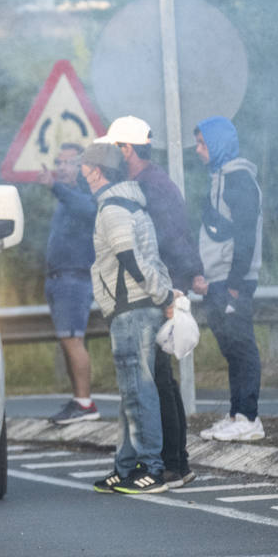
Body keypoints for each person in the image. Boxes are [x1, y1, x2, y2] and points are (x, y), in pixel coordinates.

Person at [109, 116, 206, 486]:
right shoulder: (144, 182)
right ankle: (174, 460)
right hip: (160, 285)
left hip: (161, 288)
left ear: (127, 149)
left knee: (160, 380)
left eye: (116, 148)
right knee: (160, 378)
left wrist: (176, 287)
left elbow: (169, 237)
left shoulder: (151, 185)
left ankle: (174, 463)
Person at [79, 143, 177, 496]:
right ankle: (124, 468)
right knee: (131, 392)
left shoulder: (113, 208)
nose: (81, 173)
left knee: (140, 390)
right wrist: (164, 293)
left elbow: (130, 258)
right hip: (136, 308)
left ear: (97, 170)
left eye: (85, 166)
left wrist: (163, 295)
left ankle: (150, 467)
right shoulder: (129, 202)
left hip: (132, 310)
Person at [194, 116, 264, 442]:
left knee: (242, 346)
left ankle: (249, 418)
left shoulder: (238, 180)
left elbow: (245, 236)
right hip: (219, 279)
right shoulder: (219, 177)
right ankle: (236, 413)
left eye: (202, 144)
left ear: (219, 145)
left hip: (234, 280)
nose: (198, 150)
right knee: (231, 348)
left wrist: (235, 282)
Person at [39, 141, 100, 424]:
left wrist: (54, 187)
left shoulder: (84, 194)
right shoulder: (65, 198)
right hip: (60, 278)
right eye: (58, 162)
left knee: (74, 339)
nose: (61, 168)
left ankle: (85, 403)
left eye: (67, 163)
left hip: (74, 278)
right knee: (67, 339)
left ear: (82, 166)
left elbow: (88, 210)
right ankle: (78, 399)